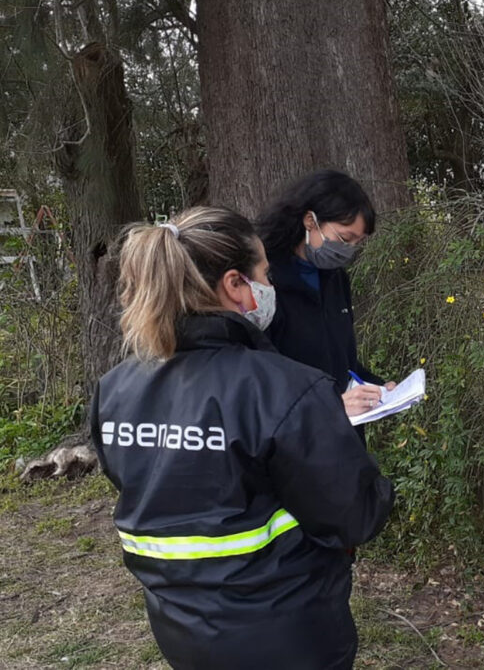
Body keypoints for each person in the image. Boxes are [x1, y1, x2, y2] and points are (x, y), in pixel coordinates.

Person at [89, 207, 395, 670]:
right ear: (235, 284)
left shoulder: (115, 389)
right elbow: (355, 514)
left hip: (181, 631)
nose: (270, 288)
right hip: (290, 632)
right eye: (264, 274)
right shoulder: (286, 388)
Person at [256, 170, 391, 419]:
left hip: (343, 436)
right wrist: (331, 406)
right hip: (296, 437)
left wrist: (378, 387)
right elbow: (263, 379)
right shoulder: (266, 283)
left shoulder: (336, 279)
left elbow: (341, 359)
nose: (348, 251)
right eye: (344, 238)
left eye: (356, 243)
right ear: (310, 221)